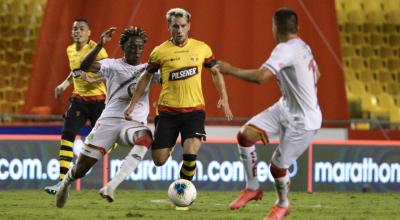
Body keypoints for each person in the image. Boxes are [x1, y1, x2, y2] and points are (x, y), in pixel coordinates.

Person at [217, 8, 322, 220]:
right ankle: (252, 188)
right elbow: (317, 74)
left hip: (303, 121)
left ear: (275, 28)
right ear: (296, 27)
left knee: (277, 166)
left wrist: (230, 70)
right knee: (245, 136)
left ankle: (283, 204)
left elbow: (260, 77)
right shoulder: (303, 45)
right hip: (285, 107)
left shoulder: (284, 49)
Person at [124, 8, 233, 186]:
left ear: (189, 25)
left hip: (194, 110)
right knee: (159, 160)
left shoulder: (201, 48)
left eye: (183, 26)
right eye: (175, 26)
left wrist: (224, 98)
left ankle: (183, 190)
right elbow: (146, 77)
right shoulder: (160, 52)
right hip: (168, 112)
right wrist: (131, 105)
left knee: (190, 153)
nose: (180, 30)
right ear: (169, 27)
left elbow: (215, 72)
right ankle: (171, 142)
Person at [55, 26, 158, 207]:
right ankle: (65, 183)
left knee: (146, 138)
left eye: (140, 47)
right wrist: (100, 45)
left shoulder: (149, 69)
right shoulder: (112, 64)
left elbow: (171, 78)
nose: (137, 51)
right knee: (81, 169)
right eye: (132, 46)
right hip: (109, 121)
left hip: (132, 123)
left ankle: (111, 185)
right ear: (123, 47)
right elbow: (84, 66)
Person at [45, 18, 108, 195]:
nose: (77, 31)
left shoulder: (97, 49)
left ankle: (92, 166)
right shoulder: (70, 50)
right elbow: (75, 72)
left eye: (81, 29)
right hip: (79, 99)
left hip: (98, 101)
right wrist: (63, 86)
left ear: (89, 33)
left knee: (106, 141)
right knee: (67, 135)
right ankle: (62, 182)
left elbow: (110, 73)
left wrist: (93, 79)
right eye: (74, 29)